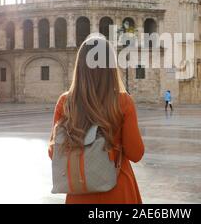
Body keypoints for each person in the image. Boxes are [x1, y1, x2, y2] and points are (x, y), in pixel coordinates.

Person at [48, 37, 144, 204]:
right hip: (117, 190)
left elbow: (53, 152)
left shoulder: (65, 102)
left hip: (80, 193)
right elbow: (136, 154)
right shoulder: (122, 102)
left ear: (80, 67)